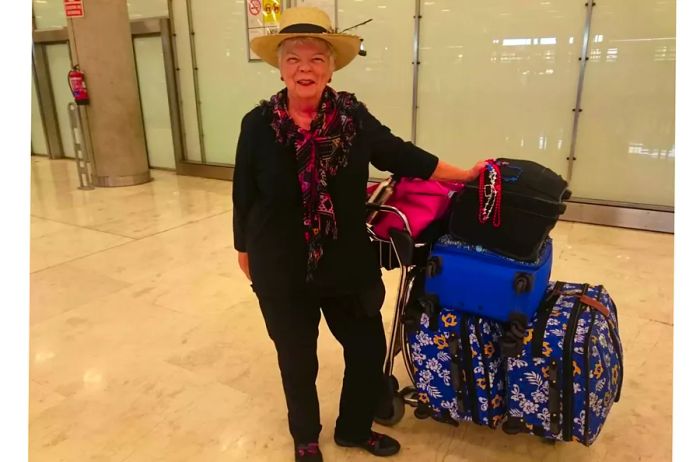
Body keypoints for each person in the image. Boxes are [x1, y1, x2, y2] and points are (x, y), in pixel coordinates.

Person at [233, 6, 486, 461]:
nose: (304, 68)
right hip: (279, 263)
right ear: (280, 67)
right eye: (293, 58)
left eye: (315, 59)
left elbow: (402, 155)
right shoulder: (257, 125)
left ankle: (353, 429)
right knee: (297, 360)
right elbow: (244, 191)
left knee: (367, 349)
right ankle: (306, 437)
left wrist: (462, 175)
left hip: (346, 259)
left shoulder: (353, 118)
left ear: (331, 67)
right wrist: (242, 247)